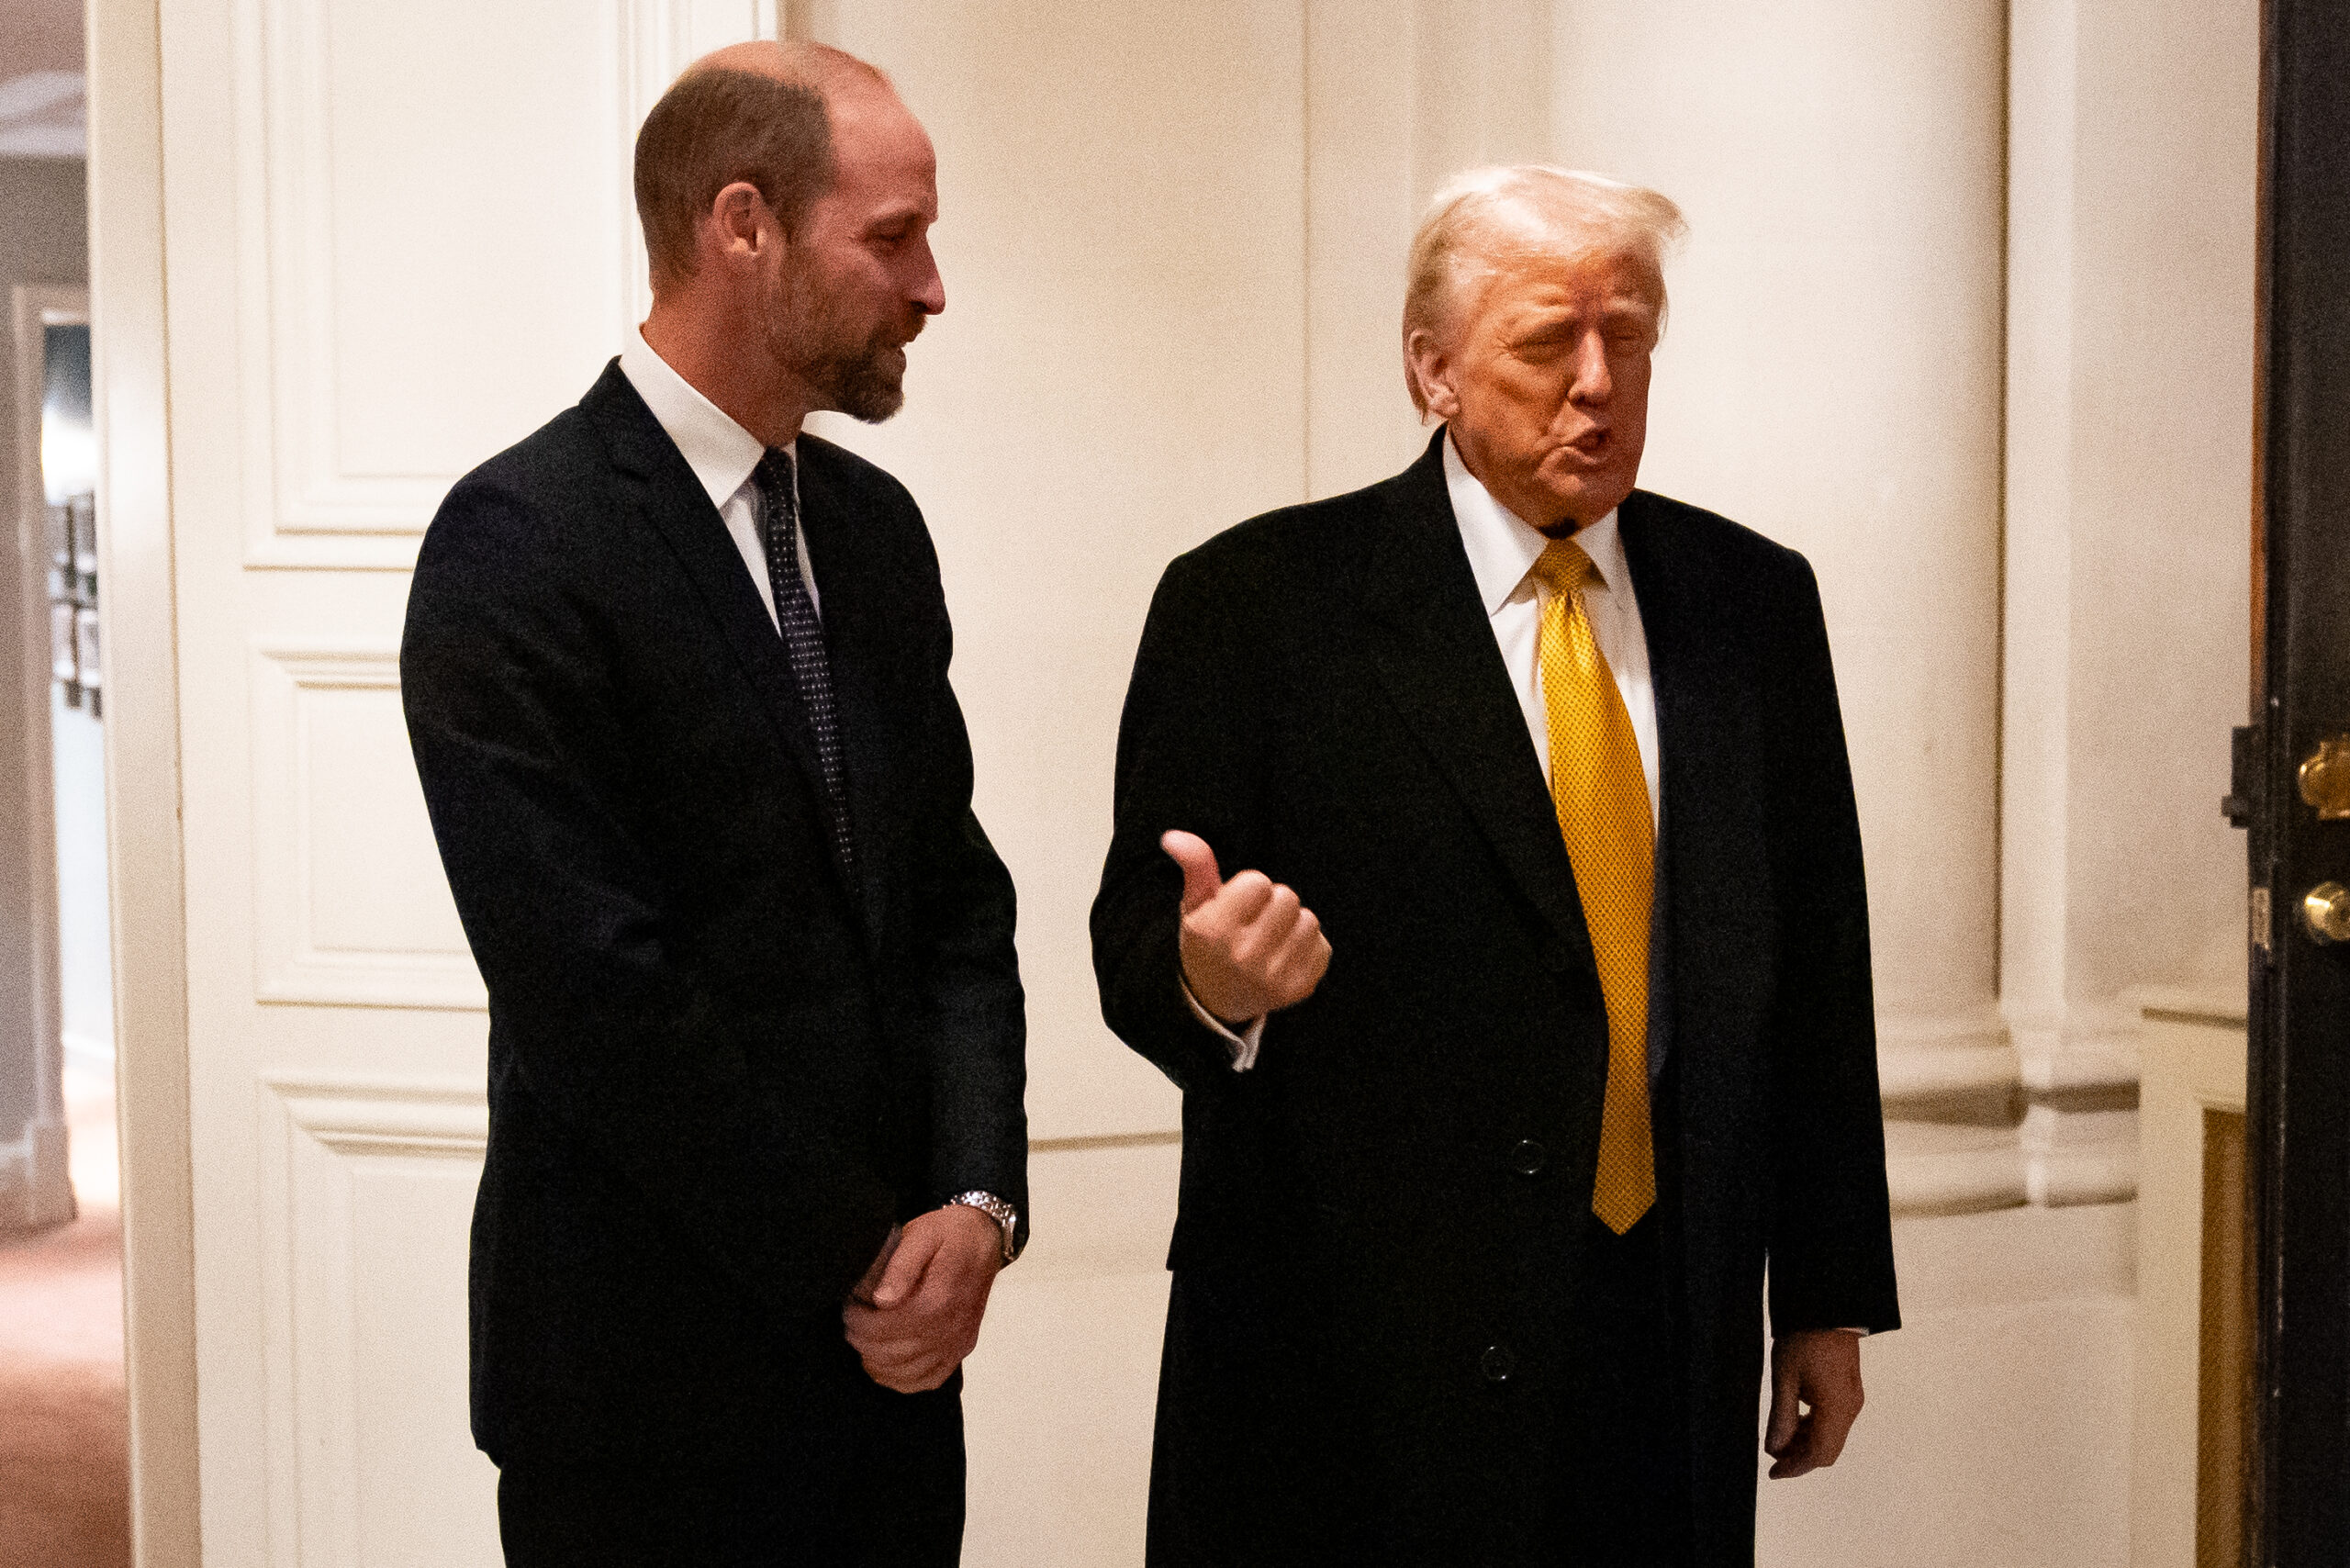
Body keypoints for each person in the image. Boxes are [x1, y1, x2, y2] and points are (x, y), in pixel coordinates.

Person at [1091, 165, 1899, 1566]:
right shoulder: (1259, 605)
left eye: (1630, 336)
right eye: (1546, 342)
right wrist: (1208, 976)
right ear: (1434, 371)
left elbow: (1817, 969)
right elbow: (1133, 950)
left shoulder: (1753, 602)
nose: (1598, 382)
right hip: (1357, 1349)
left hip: (1664, 1316)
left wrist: (1823, 1296)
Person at [401, 41, 1025, 1568]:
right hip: (639, 1393)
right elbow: (594, 994)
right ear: (741, 226)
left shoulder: (875, 533)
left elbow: (954, 902)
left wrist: (976, 1195)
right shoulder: (517, 544)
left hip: (889, 1386)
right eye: (893, 237)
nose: (932, 286)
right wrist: (865, 1252)